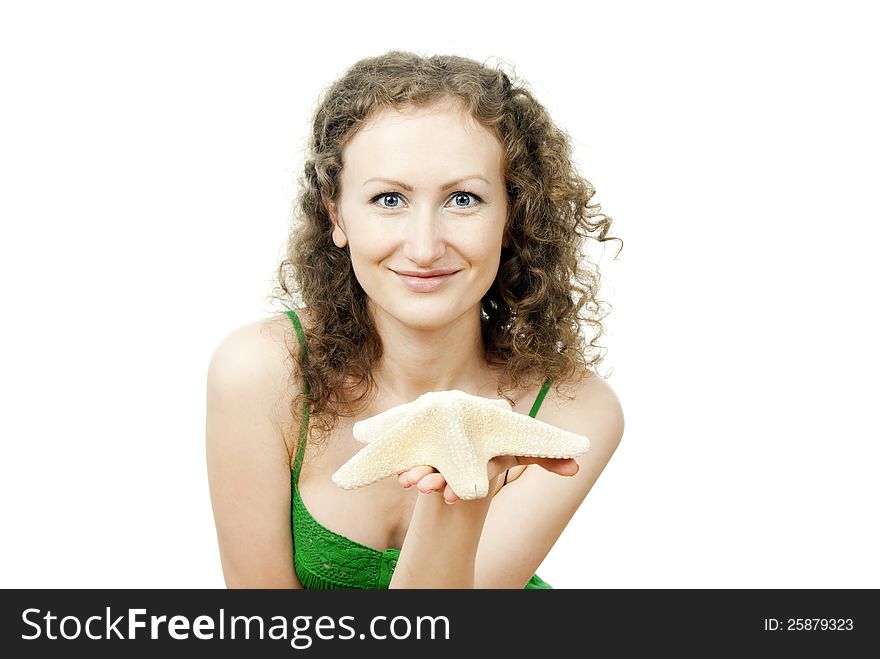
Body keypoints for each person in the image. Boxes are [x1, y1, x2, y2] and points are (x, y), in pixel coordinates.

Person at [206, 50, 625, 589]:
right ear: (337, 215)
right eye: (388, 198)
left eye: (463, 198)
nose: (425, 247)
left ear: (510, 217)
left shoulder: (572, 411)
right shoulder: (261, 373)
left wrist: (461, 490)